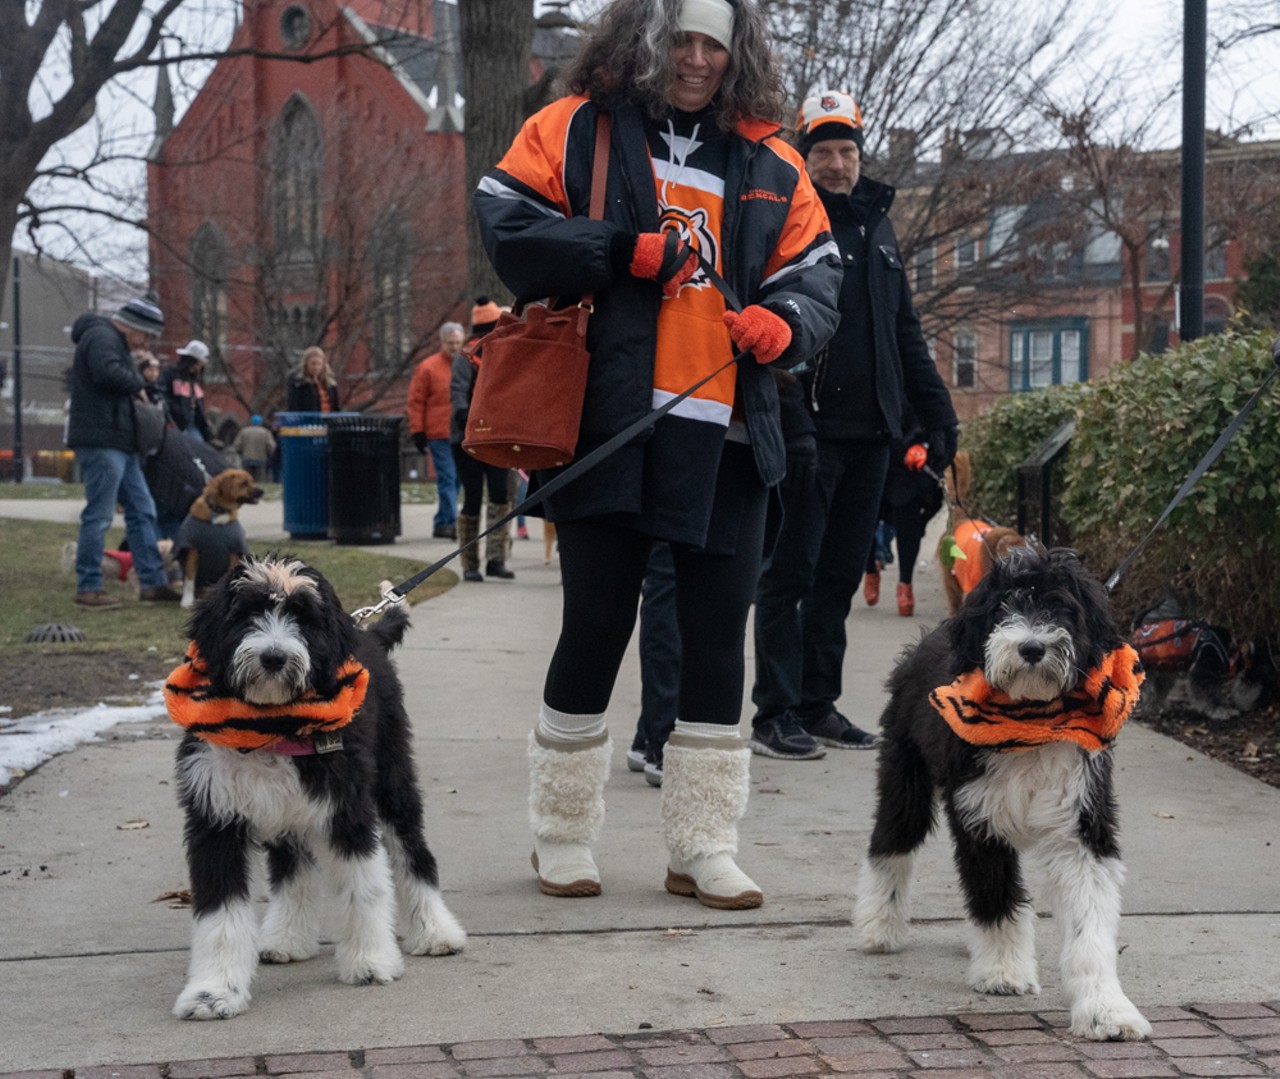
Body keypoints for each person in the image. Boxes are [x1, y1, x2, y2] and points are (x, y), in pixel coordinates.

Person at [474, 0, 841, 908]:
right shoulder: (573, 128)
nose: (697, 59)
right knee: (595, 626)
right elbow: (503, 222)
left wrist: (782, 323)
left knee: (721, 638)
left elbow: (818, 277)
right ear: (644, 39)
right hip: (609, 426)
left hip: (726, 433)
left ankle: (703, 844)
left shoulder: (772, 159)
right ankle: (561, 835)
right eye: (681, 39)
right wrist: (618, 251)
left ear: (738, 52)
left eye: (715, 43)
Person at [749, 90, 958, 760]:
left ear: (860, 156)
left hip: (873, 436)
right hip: (808, 433)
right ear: (804, 157)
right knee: (790, 573)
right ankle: (774, 710)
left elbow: (906, 333)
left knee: (838, 576)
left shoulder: (877, 224)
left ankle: (818, 702)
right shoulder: (789, 219)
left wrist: (936, 416)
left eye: (846, 151)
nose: (836, 164)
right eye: (824, 152)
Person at [66, 290, 182, 608]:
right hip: (101, 440)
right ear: (132, 325)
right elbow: (108, 374)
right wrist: (138, 381)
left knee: (143, 511)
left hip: (120, 441)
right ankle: (89, 587)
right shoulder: (102, 337)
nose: (145, 343)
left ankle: (153, 583)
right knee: (100, 515)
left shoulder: (110, 341)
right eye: (145, 335)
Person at [451, 298, 515, 581]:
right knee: (473, 498)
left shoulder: (502, 353)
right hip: (468, 439)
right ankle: (470, 564)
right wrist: (473, 423)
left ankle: (496, 560)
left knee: (501, 497)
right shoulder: (466, 355)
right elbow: (458, 394)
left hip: (498, 437)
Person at [863, 418, 947, 617]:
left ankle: (905, 584)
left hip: (909, 469)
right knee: (864, 524)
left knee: (909, 529)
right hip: (872, 454)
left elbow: (935, 415)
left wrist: (928, 448)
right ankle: (870, 570)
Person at [408, 323, 464, 540]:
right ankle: (451, 522)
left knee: (456, 480)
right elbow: (416, 401)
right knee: (448, 478)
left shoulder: (466, 363)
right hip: (438, 433)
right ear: (443, 342)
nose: (454, 347)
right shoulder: (428, 367)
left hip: (459, 433)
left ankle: (442, 521)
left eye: (458, 343)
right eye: (451, 343)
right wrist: (418, 431)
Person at [158, 340, 212, 441]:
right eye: (199, 363)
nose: (200, 367)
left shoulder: (196, 380)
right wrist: (176, 409)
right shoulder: (170, 374)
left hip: (192, 425)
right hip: (174, 424)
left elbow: (199, 408)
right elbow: (161, 395)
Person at [286, 346, 341, 412]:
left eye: (319, 364)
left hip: (328, 421)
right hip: (308, 421)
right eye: (313, 364)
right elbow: (293, 407)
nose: (316, 367)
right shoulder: (299, 384)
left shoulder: (330, 384)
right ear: (306, 364)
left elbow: (336, 407)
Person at [231, 414, 278, 483]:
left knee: (246, 479)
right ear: (261, 422)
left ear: (251, 422)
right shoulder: (265, 432)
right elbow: (272, 446)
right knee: (260, 480)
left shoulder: (244, 431)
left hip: (246, 459)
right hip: (261, 459)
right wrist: (268, 454)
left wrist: (241, 453)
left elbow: (237, 445)